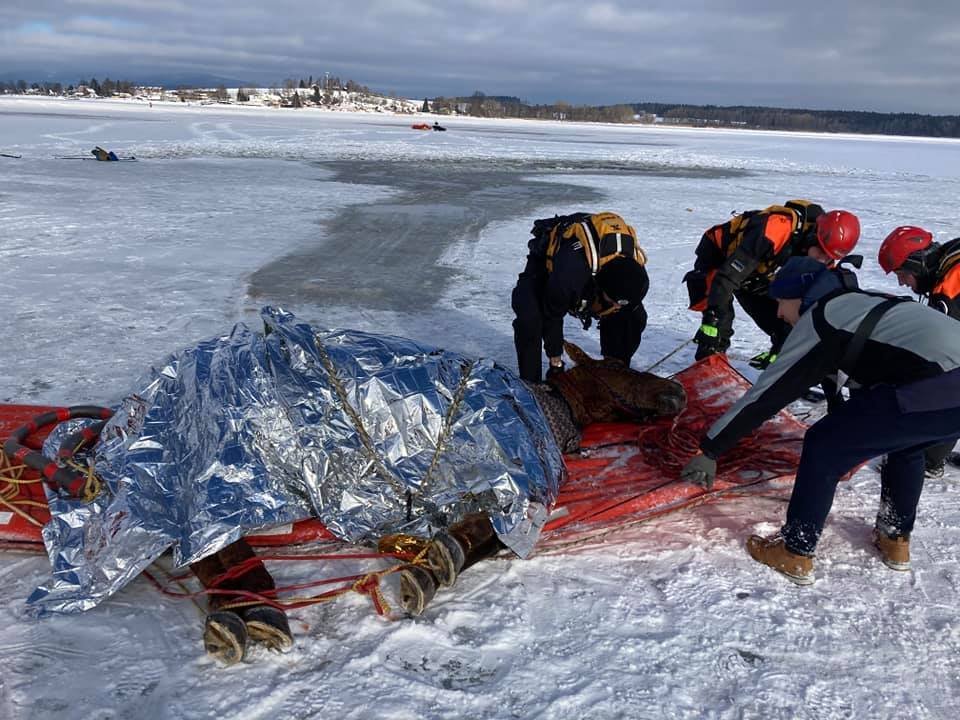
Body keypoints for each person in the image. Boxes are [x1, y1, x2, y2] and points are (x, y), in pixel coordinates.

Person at [680, 256, 960, 585]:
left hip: (939, 384)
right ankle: (894, 539)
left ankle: (795, 551)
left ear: (799, 296)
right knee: (906, 444)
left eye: (781, 303)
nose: (779, 314)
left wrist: (711, 449)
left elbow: (769, 393)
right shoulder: (855, 305)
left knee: (823, 445)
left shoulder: (822, 317)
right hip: (945, 388)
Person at [685, 201, 860, 369]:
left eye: (829, 257)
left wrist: (784, 346)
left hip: (761, 268)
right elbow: (725, 279)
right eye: (821, 251)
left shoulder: (823, 257)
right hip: (722, 256)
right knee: (717, 321)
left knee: (782, 315)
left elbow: (803, 306)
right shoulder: (775, 230)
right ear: (813, 236)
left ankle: (783, 364)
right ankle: (709, 363)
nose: (822, 260)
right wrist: (712, 322)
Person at [512, 211, 649, 382]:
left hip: (597, 273)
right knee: (530, 316)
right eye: (612, 301)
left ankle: (615, 370)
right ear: (600, 287)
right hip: (550, 264)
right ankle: (530, 385)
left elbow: (627, 309)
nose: (616, 306)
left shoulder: (635, 275)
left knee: (633, 317)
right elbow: (553, 315)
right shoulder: (570, 274)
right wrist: (556, 363)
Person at [878, 226, 960, 475]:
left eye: (902, 274)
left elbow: (946, 361)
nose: (902, 282)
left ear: (918, 264)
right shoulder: (951, 259)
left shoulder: (949, 290)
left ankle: (929, 459)